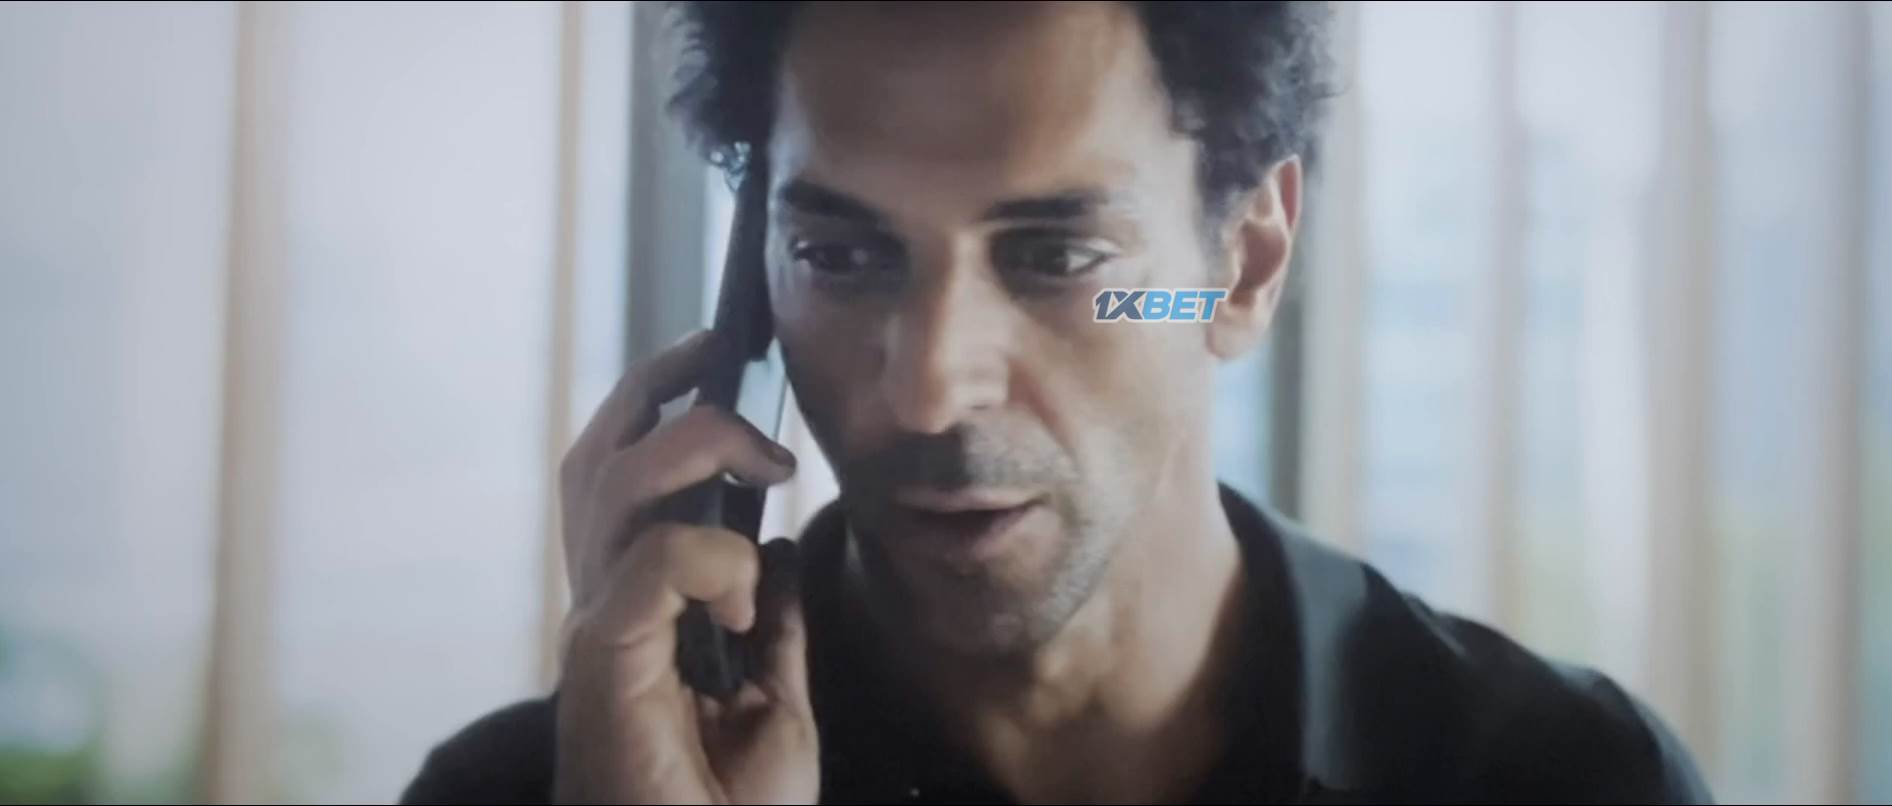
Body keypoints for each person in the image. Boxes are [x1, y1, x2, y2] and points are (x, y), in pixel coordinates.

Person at [402, 2, 1713, 803]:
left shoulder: (1561, 779)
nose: (929, 386)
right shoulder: (558, 790)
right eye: (842, 256)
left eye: (1058, 256)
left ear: (1244, 264)